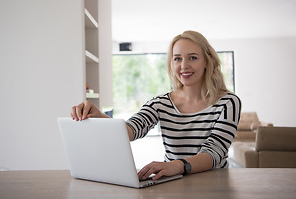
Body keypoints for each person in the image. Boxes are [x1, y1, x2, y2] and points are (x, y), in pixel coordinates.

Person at [71, 30, 241, 181]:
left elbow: (214, 153)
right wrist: (99, 116)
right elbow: (131, 129)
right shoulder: (160, 103)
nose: (184, 65)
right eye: (177, 59)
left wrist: (178, 165)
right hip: (174, 183)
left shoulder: (227, 102)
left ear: (207, 61)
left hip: (215, 185)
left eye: (193, 58)